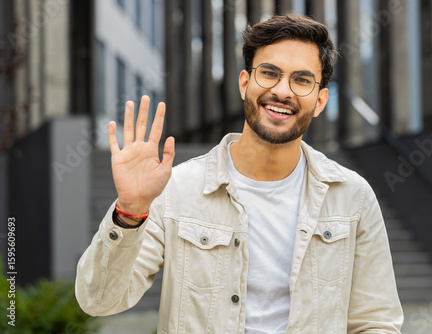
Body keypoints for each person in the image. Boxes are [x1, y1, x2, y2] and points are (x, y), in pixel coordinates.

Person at [76, 13, 404, 333]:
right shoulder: (177, 189)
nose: (283, 91)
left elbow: (376, 321)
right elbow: (99, 302)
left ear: (319, 102)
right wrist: (130, 213)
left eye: (301, 80)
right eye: (270, 73)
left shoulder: (352, 196)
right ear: (245, 83)